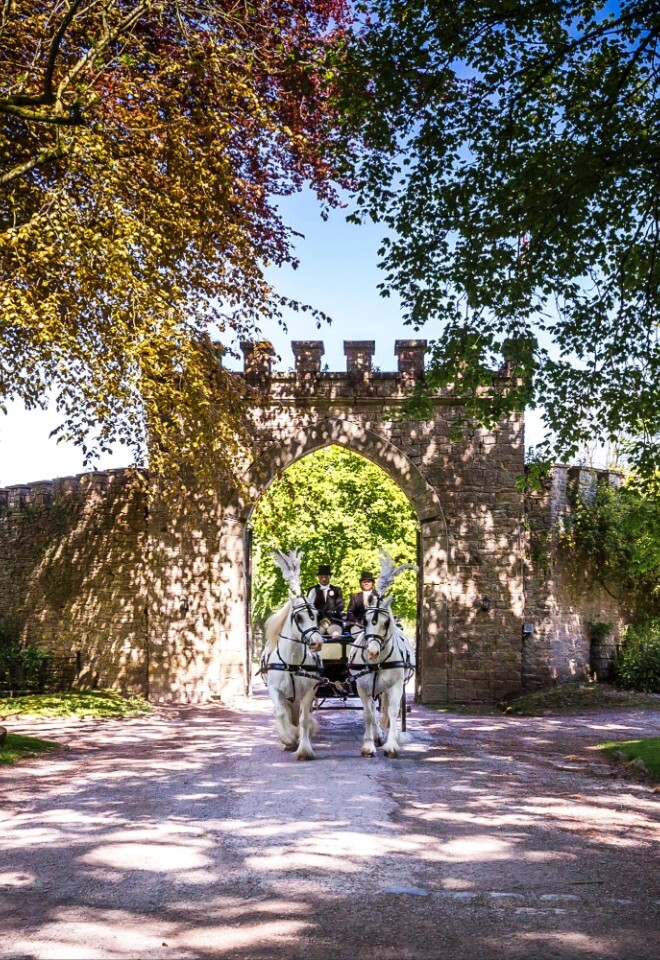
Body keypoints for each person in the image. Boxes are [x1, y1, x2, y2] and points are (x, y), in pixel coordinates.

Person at [306, 564, 344, 637]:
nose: (324, 579)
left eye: (326, 577)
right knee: (315, 635)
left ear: (330, 577)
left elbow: (340, 605)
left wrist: (333, 612)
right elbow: (309, 606)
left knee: (336, 635)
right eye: (321, 577)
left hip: (333, 620)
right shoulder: (312, 590)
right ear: (318, 578)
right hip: (318, 621)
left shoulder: (337, 590)